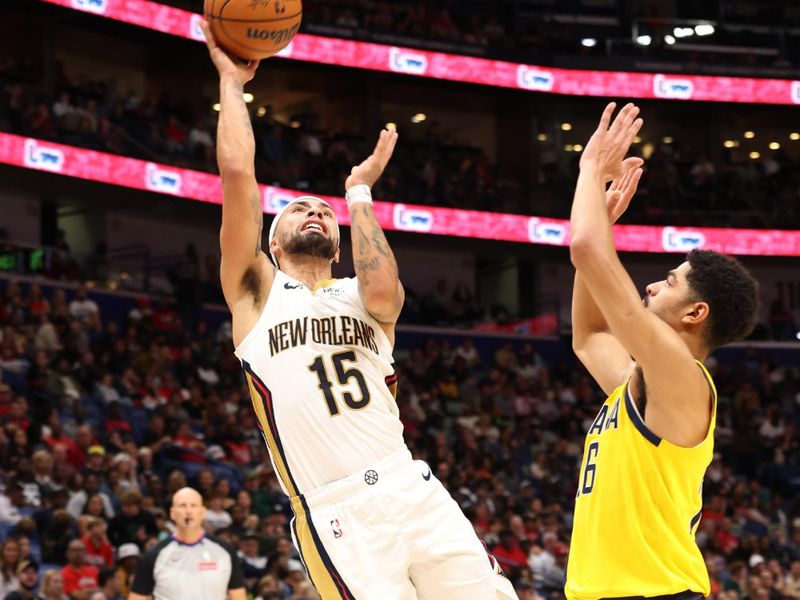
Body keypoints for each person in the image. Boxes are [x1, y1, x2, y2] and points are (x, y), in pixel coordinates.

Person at [202, 19, 516, 600]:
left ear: (341, 243)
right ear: (272, 243)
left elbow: (383, 293)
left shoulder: (362, 294)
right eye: (296, 209)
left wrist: (358, 194)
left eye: (323, 211)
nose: (313, 213)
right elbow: (238, 174)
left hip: (410, 484)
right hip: (335, 508)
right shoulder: (256, 291)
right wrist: (230, 79)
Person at [565, 103, 760, 599]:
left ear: (695, 314)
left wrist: (590, 170)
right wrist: (603, 220)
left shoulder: (681, 376)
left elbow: (585, 247)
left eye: (669, 281)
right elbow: (588, 334)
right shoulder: (644, 385)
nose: (652, 286)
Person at [129, 487, 245, 600]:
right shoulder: (154, 555)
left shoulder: (224, 552)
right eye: (182, 506)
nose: (188, 511)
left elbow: (238, 596)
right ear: (172, 513)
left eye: (193, 505)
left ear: (202, 512)